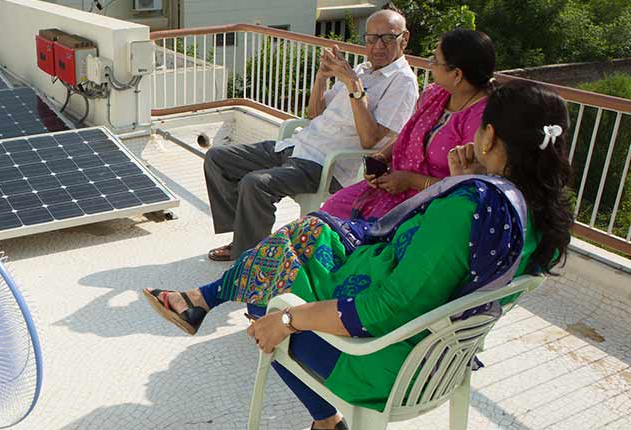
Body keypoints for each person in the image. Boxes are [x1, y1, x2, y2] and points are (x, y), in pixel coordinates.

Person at [143, 80, 574, 430]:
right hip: (434, 347)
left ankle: (326, 419)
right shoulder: (538, 212)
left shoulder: (467, 210)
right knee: (310, 234)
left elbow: (383, 309)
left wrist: (287, 320)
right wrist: (463, 179)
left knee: (269, 295)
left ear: (490, 136)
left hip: (384, 359)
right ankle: (203, 301)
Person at [203, 9, 419, 261]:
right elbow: (314, 113)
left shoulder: (402, 83)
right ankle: (244, 239)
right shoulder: (361, 69)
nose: (378, 46)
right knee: (217, 158)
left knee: (255, 183)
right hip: (298, 145)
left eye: (388, 38)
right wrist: (321, 77)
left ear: (404, 39)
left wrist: (353, 86)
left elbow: (371, 141)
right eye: (372, 39)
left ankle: (251, 259)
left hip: (326, 164)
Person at [320, 29, 496, 220]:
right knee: (330, 210)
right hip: (395, 185)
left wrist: (411, 180)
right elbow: (410, 134)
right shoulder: (436, 94)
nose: (431, 65)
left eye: (435, 61)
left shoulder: (481, 120)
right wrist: (380, 158)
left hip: (431, 204)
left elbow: (468, 187)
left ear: (456, 74)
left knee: (352, 234)